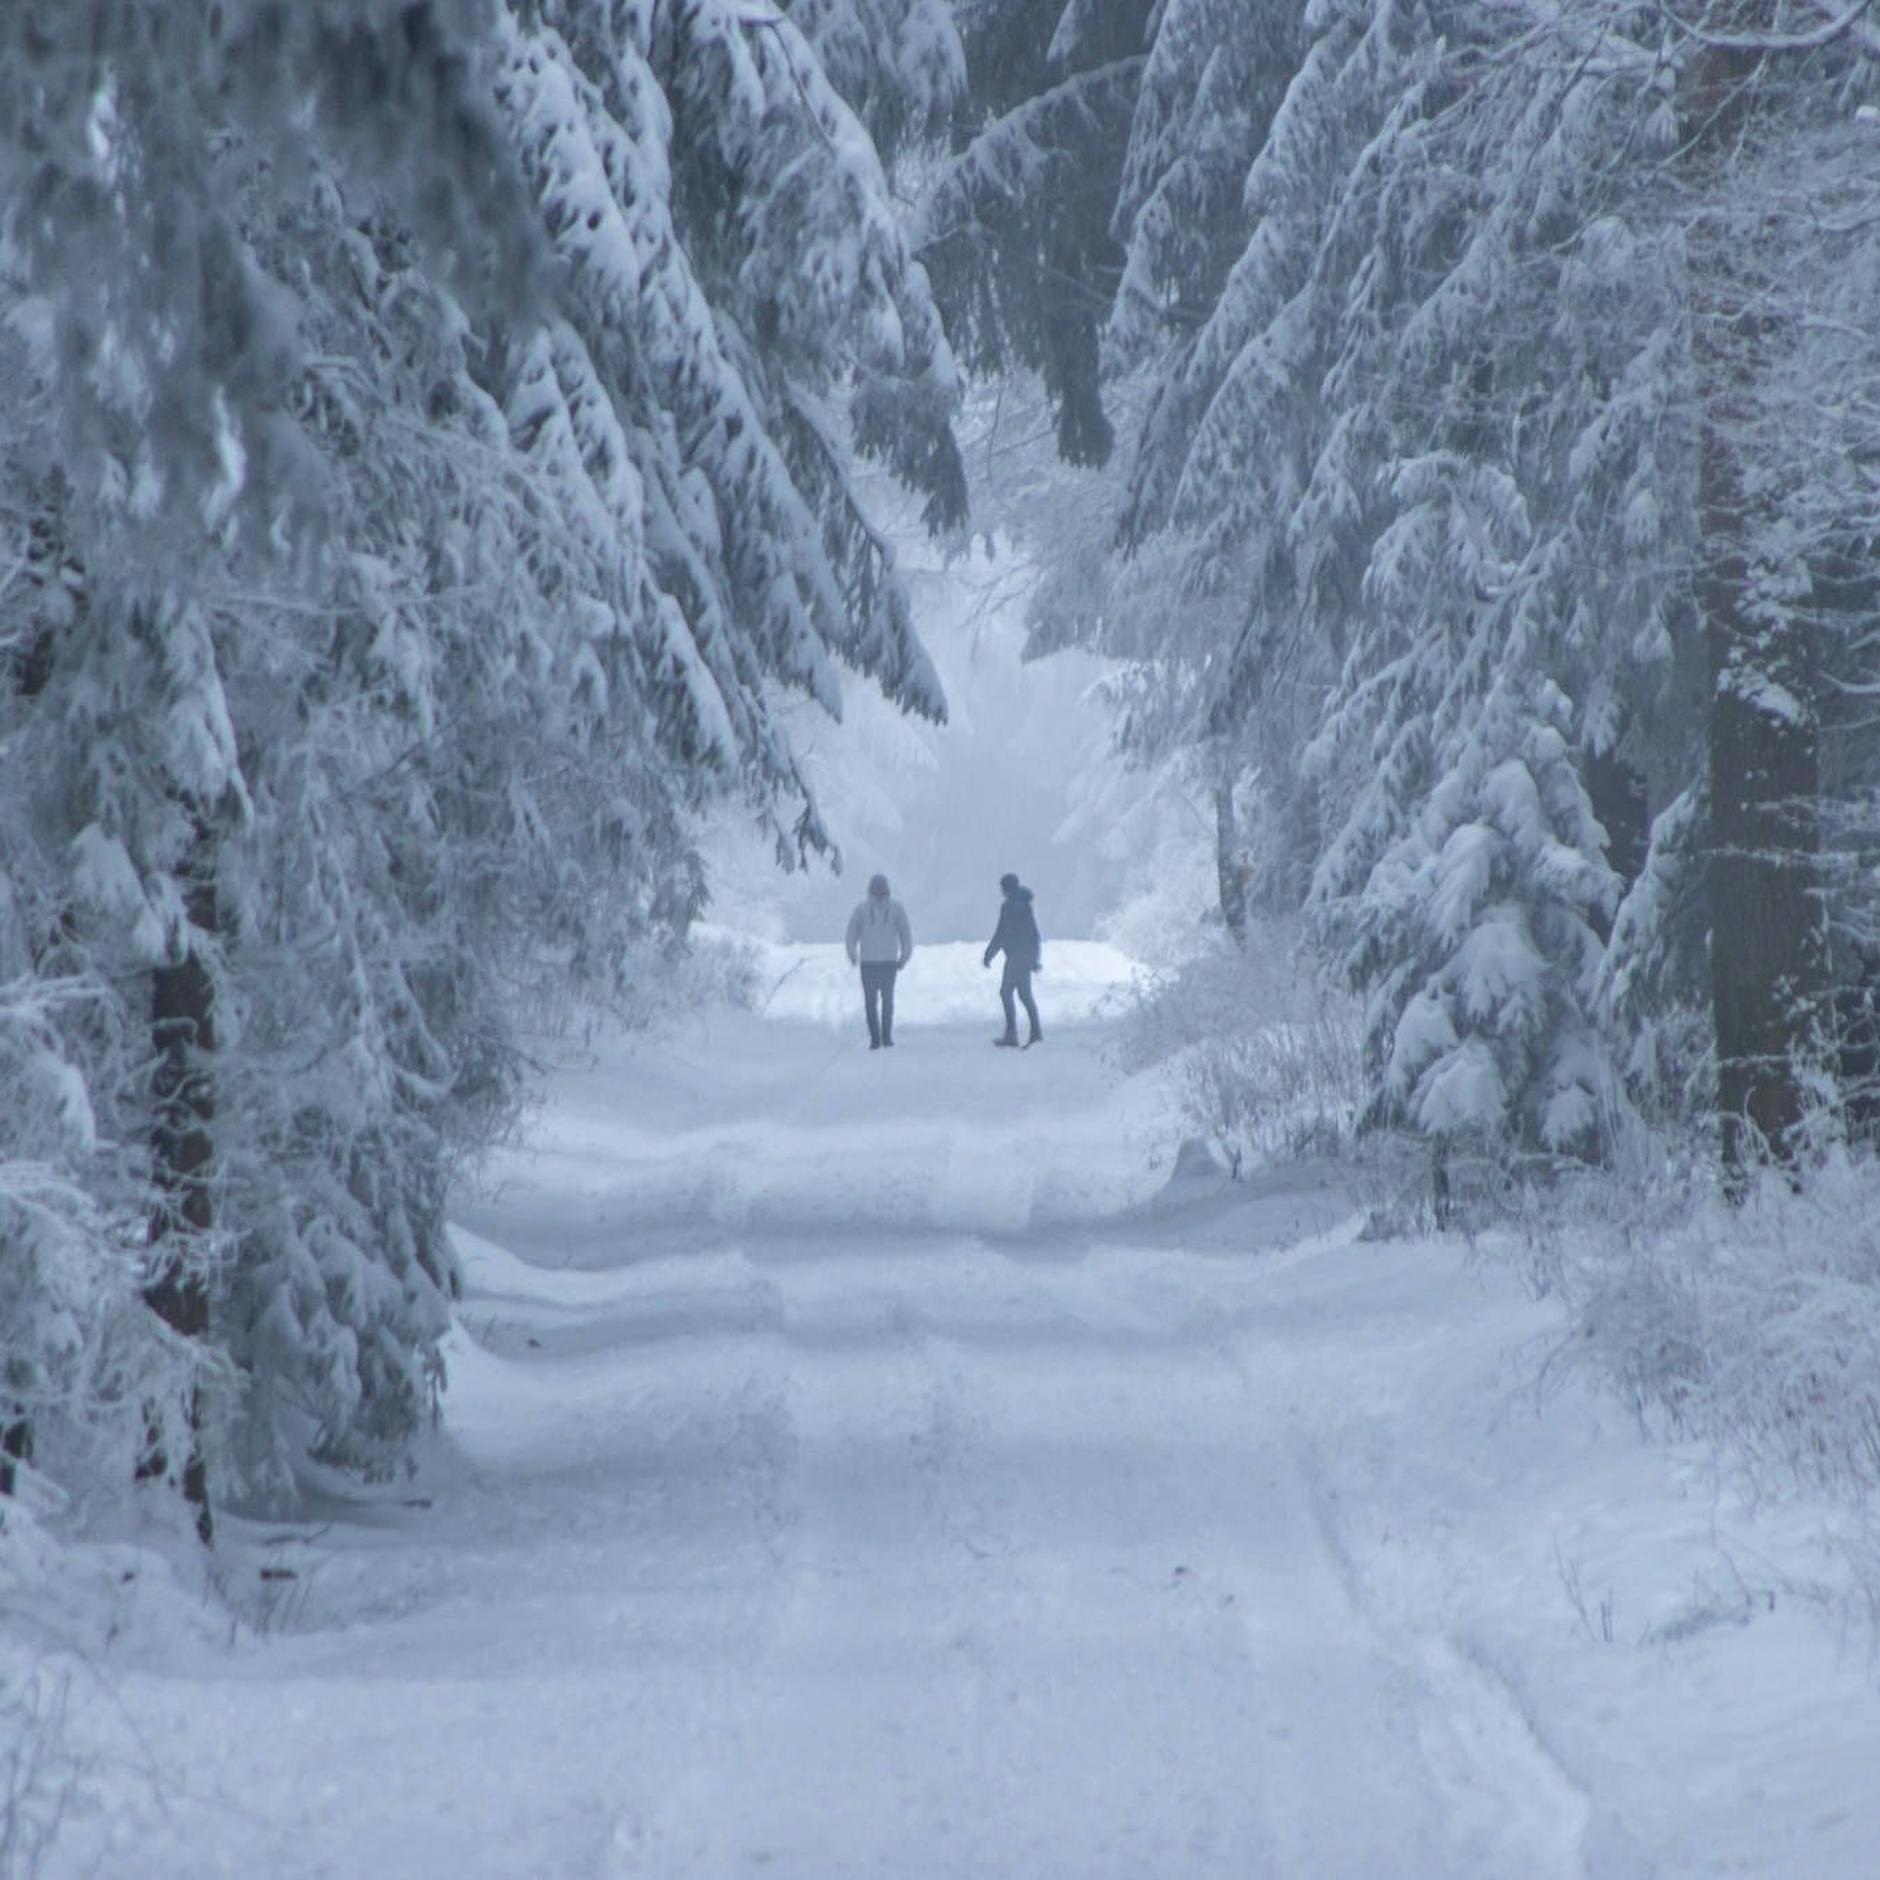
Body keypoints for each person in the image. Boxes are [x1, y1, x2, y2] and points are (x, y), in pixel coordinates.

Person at [845, 873, 913, 1049]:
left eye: (882, 888)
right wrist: (852, 954)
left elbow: (906, 935)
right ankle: (875, 1038)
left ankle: (887, 1036)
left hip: (889, 963)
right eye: (876, 888)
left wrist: (904, 957)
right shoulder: (861, 910)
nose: (879, 892)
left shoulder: (896, 909)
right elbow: (851, 934)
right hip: (868, 963)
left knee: (887, 1001)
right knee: (870, 1002)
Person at [983, 872, 1043, 1048]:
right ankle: (1034, 1032)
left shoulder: (1010, 907)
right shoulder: (1025, 905)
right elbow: (1034, 934)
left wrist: (989, 954)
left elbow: (1002, 933)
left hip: (1016, 956)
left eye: (1002, 887)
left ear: (1007, 888)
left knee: (1007, 992)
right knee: (1023, 995)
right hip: (1024, 956)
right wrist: (1035, 958)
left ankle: (1013, 1034)